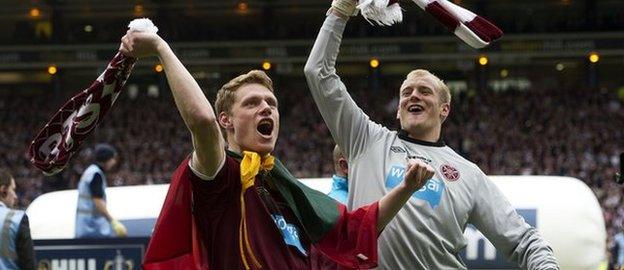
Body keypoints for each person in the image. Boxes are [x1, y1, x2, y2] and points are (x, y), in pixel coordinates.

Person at [119, 30, 436, 270]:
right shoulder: (221, 176)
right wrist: (160, 48)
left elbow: (354, 228)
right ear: (226, 120)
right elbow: (201, 120)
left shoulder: (287, 189)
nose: (266, 108)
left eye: (271, 103)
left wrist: (407, 187)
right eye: (252, 103)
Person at [303, 3, 560, 269]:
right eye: (407, 92)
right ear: (399, 111)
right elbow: (318, 73)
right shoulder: (365, 141)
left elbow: (523, 241)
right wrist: (340, 10)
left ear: (444, 109)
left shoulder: (468, 174)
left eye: (425, 91)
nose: (414, 95)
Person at [75, 144, 127, 238]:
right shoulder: (96, 175)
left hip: (83, 227)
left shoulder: (89, 171)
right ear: (106, 159)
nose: (114, 162)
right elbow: (97, 201)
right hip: (93, 228)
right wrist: (113, 221)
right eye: (112, 159)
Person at [0, 169, 35, 270]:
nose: (15, 196)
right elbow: (29, 265)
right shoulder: (17, 219)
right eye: (13, 190)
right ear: (4, 190)